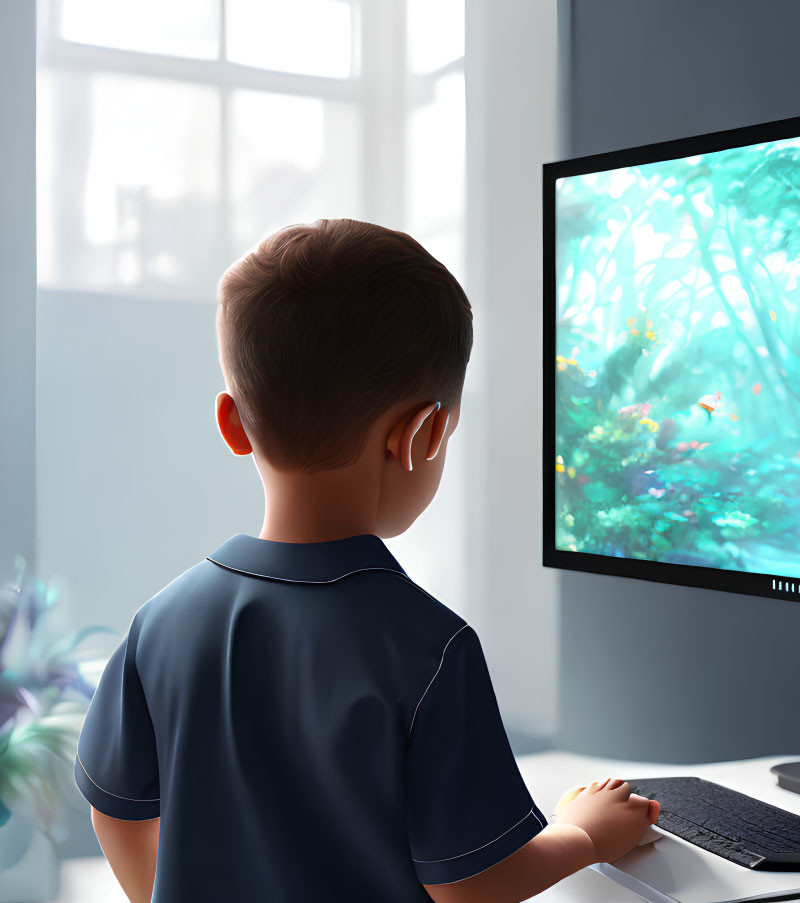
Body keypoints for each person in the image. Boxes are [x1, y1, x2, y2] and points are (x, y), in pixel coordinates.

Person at [74, 219, 660, 903]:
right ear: (423, 433)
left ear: (232, 423)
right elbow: (471, 883)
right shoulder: (429, 646)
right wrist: (584, 833)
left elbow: (115, 810)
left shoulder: (162, 621)